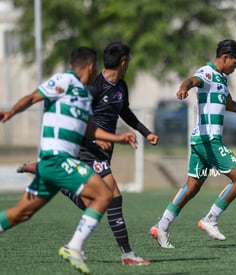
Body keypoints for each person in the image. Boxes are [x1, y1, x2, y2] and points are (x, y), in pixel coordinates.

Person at [16, 42, 158, 265]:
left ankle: (52, 178)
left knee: (91, 202)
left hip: (103, 151)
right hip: (87, 147)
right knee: (113, 198)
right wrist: (97, 137)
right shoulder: (94, 87)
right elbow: (79, 118)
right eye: (128, 61)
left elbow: (125, 112)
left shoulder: (121, 86)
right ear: (124, 62)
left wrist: (145, 132)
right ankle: (127, 255)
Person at [149, 39, 236, 248]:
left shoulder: (222, 80)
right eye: (235, 63)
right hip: (209, 139)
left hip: (200, 140)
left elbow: (230, 104)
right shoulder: (207, 73)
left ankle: (161, 226)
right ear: (225, 58)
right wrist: (183, 88)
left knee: (191, 188)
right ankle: (210, 219)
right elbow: (192, 80)